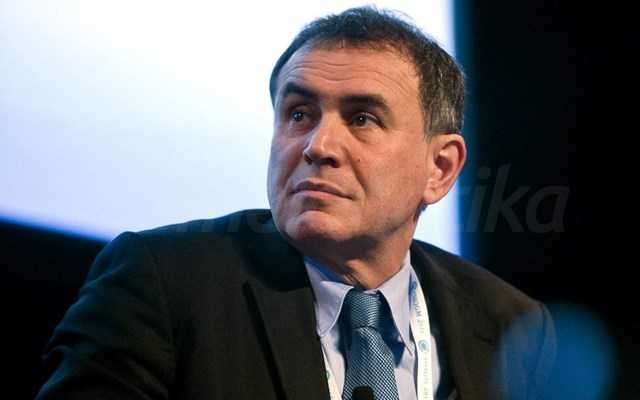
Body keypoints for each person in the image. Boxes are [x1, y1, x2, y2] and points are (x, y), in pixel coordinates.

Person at [36, 6, 555, 400]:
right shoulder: (161, 284)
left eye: (362, 119)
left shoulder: (512, 327)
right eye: (299, 114)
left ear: (439, 168)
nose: (318, 145)